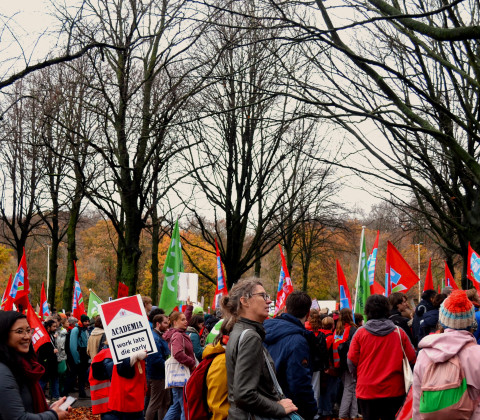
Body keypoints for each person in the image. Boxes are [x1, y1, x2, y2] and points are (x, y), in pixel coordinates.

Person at [223, 277, 298, 419]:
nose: (269, 301)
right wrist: (278, 408)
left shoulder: (240, 331)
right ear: (244, 301)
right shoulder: (250, 336)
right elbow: (244, 394)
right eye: (263, 296)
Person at [413, 290, 480, 418]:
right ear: (471, 322)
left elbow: (417, 400)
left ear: (442, 320)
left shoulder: (424, 354)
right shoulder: (477, 355)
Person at [348, 294, 416, 420]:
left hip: (366, 389)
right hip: (394, 390)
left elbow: (351, 361)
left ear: (367, 311)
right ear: (387, 309)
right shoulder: (399, 332)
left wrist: (358, 376)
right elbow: (412, 357)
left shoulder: (360, 334)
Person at [0, 310, 69, 420]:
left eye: (28, 330)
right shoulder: (3, 371)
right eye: (19, 331)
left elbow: (27, 407)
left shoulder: (23, 365)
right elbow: (17, 418)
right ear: (3, 334)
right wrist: (53, 415)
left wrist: (49, 410)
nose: (27, 336)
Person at [264, 291, 317, 420]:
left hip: (264, 404)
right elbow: (299, 382)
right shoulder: (298, 341)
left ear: (286, 309)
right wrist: (311, 409)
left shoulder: (262, 330)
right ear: (308, 314)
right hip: (288, 408)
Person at [90, 341, 148, 419]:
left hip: (113, 406)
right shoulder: (110, 355)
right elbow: (119, 370)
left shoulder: (102, 355)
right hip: (118, 407)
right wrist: (132, 358)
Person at [163, 311, 196, 420]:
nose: (186, 321)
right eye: (183, 320)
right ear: (174, 322)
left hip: (179, 376)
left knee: (177, 406)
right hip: (182, 375)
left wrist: (189, 307)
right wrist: (192, 363)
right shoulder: (178, 335)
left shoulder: (178, 332)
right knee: (184, 407)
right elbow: (177, 353)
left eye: (185, 319)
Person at [145, 314, 171, 420]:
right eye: (165, 323)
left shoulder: (158, 336)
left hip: (162, 375)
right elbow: (155, 359)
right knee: (155, 403)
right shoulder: (155, 338)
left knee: (165, 402)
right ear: (157, 324)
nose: (167, 325)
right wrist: (169, 367)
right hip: (158, 376)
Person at [334, 308, 358, 420]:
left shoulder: (338, 329)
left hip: (339, 362)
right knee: (349, 388)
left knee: (350, 387)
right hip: (349, 362)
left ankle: (354, 413)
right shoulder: (353, 329)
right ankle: (343, 414)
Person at [37, 319, 60, 401]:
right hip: (46, 363)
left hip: (52, 362)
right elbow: (41, 350)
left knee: (54, 379)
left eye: (56, 326)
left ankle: (56, 396)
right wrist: (51, 351)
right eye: (53, 326)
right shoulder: (44, 337)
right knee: (43, 380)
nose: (55, 328)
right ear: (48, 327)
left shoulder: (51, 335)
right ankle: (40, 398)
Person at [69, 314, 90, 398]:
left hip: (84, 355)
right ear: (81, 321)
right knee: (73, 375)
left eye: (88, 321)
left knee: (82, 375)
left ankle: (82, 393)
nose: (87, 323)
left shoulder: (85, 330)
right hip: (78, 355)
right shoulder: (76, 330)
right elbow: (73, 346)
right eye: (85, 321)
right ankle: (64, 393)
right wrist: (77, 359)